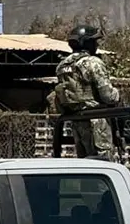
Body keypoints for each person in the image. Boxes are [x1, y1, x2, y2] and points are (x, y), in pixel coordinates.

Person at [48, 25, 120, 159]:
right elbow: (108, 96)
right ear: (86, 43)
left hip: (77, 121)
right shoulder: (93, 62)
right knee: (104, 161)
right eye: (94, 41)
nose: (96, 44)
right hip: (97, 122)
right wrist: (117, 94)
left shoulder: (62, 66)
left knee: (85, 162)